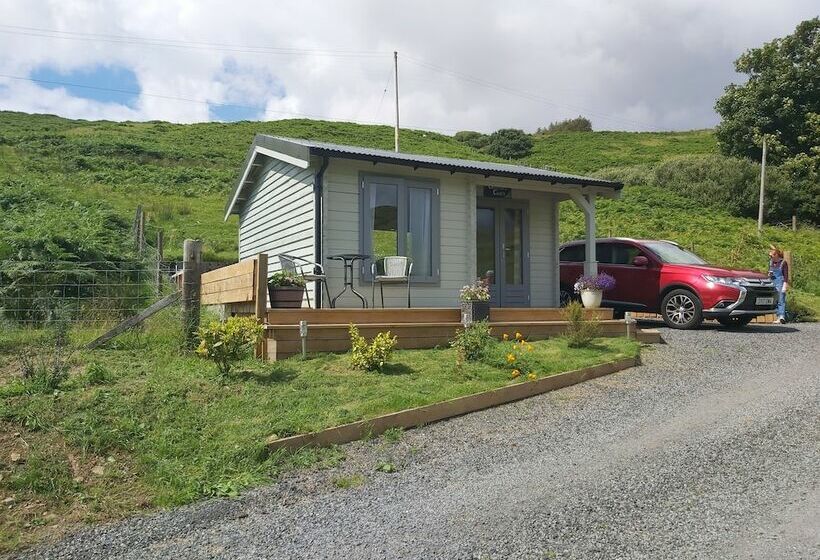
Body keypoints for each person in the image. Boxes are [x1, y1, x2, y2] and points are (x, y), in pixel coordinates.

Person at [768, 246, 789, 323]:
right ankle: (777, 316)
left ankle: (781, 316)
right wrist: (769, 274)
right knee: (775, 299)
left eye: (771, 255)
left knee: (781, 299)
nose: (770, 257)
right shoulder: (771, 262)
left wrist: (785, 285)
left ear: (776, 255)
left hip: (780, 282)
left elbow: (786, 275)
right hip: (772, 281)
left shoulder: (783, 263)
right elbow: (769, 271)